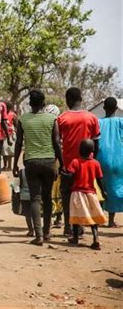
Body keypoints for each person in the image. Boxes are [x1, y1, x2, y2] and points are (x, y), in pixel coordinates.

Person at [13, 90, 62, 245]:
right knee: (47, 198)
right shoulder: (52, 118)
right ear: (43, 103)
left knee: (35, 198)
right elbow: (56, 142)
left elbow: (19, 143)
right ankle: (47, 233)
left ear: (29, 103)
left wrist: (15, 163)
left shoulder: (23, 119)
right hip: (49, 162)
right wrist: (62, 163)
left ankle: (39, 236)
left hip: (31, 162)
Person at [57, 87, 100, 236]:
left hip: (68, 166)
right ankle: (82, 226)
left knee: (68, 196)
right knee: (86, 196)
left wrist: (60, 163)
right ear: (80, 99)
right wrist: (93, 162)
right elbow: (96, 144)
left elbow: (57, 143)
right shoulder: (91, 118)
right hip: (87, 167)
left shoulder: (62, 118)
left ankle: (70, 227)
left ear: (68, 100)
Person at [67, 139, 107, 250]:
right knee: (93, 217)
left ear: (79, 150)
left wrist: (65, 176)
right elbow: (99, 180)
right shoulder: (95, 163)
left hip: (77, 192)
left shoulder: (75, 162)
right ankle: (96, 238)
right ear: (92, 151)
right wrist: (103, 192)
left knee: (75, 217)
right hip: (91, 193)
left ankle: (75, 238)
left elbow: (70, 175)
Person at [96, 97, 123, 227]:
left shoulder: (98, 122)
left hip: (100, 159)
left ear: (104, 108)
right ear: (116, 109)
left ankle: (100, 217)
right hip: (119, 160)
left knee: (101, 189)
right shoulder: (121, 122)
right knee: (116, 188)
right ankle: (111, 220)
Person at [2, 101, 17, 171]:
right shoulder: (2, 114)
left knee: (9, 151)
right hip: (3, 135)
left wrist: (16, 133)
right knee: (4, 151)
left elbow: (16, 125)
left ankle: (9, 166)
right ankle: (5, 165)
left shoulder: (13, 115)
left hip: (10, 135)